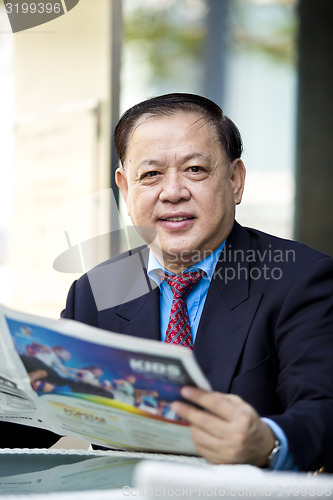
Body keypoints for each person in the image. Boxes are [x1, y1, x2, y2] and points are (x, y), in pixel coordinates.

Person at [5, 93, 333, 470]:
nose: (173, 192)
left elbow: (323, 409)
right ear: (126, 189)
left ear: (235, 180)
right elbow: (37, 413)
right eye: (150, 174)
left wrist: (268, 442)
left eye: (195, 169)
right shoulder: (99, 290)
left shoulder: (299, 278)